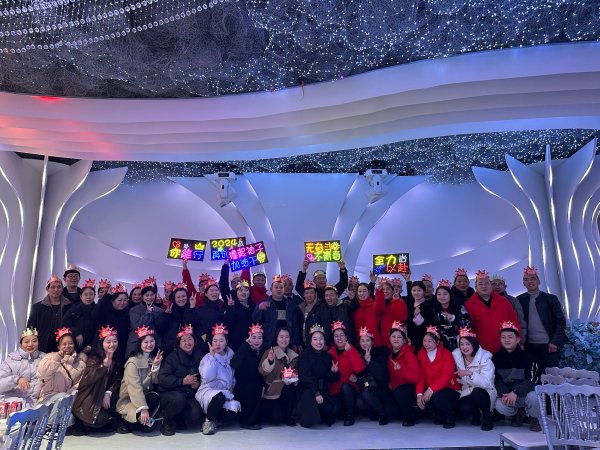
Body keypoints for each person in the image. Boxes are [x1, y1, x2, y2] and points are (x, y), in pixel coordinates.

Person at [517, 266, 568, 379]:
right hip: (529, 346)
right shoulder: (520, 300)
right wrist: (520, 343)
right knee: (531, 377)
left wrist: (554, 342)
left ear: (539, 281)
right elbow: (518, 322)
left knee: (551, 378)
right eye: (526, 279)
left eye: (533, 279)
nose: (530, 282)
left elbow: (560, 322)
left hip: (549, 345)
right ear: (523, 283)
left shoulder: (551, 298)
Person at [72, 326, 122, 434]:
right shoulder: (94, 359)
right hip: (88, 401)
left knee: (115, 398)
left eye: (115, 341)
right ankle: (82, 421)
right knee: (101, 420)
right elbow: (88, 379)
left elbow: (118, 379)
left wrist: (108, 392)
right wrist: (103, 366)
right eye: (108, 342)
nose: (112, 344)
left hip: (101, 397)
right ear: (102, 343)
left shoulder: (117, 358)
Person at [492, 321, 541, 432]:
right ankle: (518, 413)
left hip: (525, 394)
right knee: (499, 404)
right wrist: (506, 394)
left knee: (534, 397)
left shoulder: (529, 357)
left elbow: (533, 381)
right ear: (500, 339)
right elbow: (496, 380)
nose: (507, 340)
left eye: (510, 337)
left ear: (518, 339)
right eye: (503, 337)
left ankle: (533, 417)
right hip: (509, 394)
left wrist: (515, 392)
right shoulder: (496, 358)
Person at [157, 324, 204, 436]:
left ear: (194, 341)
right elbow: (162, 378)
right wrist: (182, 381)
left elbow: (203, 376)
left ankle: (179, 417)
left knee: (195, 413)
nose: (187, 343)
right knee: (179, 399)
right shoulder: (171, 358)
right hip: (170, 394)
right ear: (179, 343)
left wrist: (198, 383)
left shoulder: (199, 355)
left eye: (190, 339)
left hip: (189, 393)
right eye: (184, 340)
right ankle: (166, 421)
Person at [116, 326, 163, 433]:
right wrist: (143, 408)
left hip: (145, 396)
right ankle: (125, 421)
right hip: (130, 399)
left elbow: (155, 381)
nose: (149, 344)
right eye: (146, 342)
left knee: (154, 398)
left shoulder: (153, 358)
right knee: (138, 414)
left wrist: (155, 366)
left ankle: (142, 422)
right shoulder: (132, 362)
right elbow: (134, 387)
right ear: (140, 344)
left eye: (152, 341)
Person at [196, 324, 240, 436]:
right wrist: (212, 357)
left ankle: (216, 420)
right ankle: (208, 421)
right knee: (219, 396)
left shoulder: (231, 356)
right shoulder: (207, 357)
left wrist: (232, 385)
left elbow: (232, 375)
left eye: (221, 341)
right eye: (215, 341)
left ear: (226, 342)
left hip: (225, 391)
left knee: (234, 409)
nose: (218, 344)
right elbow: (207, 377)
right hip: (209, 390)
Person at [464, 270, 521, 354]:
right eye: (480, 284)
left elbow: (514, 322)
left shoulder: (503, 301)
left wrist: (518, 341)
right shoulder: (469, 305)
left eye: (486, 283)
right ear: (476, 287)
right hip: (482, 350)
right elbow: (469, 328)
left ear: (490, 285)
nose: (484, 286)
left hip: (505, 347)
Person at [452, 327, 496, 431]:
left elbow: (488, 383)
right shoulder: (456, 355)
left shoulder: (485, 358)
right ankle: (476, 413)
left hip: (485, 392)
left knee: (477, 392)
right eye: (462, 344)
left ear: (474, 344)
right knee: (463, 408)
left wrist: (471, 374)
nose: (464, 347)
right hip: (467, 390)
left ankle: (487, 417)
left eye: (467, 344)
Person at [416, 326, 460, 428]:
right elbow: (421, 377)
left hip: (450, 388)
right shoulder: (421, 354)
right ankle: (438, 413)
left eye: (430, 341)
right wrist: (419, 394)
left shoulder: (446, 354)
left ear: (437, 342)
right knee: (423, 403)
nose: (426, 344)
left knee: (437, 397)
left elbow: (447, 377)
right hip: (432, 391)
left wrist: (431, 390)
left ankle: (450, 416)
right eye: (425, 341)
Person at [296, 324, 340, 428]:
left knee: (330, 411)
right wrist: (316, 392)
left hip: (322, 389)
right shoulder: (304, 356)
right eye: (315, 339)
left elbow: (329, 378)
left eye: (321, 339)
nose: (318, 342)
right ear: (310, 341)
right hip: (308, 389)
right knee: (310, 411)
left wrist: (334, 372)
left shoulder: (327, 357)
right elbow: (305, 377)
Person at [327, 321, 365, 426]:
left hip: (349, 388)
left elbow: (359, 369)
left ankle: (350, 415)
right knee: (334, 410)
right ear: (333, 339)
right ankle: (345, 410)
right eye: (336, 336)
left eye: (341, 335)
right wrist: (333, 372)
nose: (339, 338)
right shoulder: (330, 354)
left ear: (346, 337)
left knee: (345, 387)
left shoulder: (352, 350)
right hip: (335, 391)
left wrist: (351, 352)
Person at [259, 327, 299, 426]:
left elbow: (296, 372)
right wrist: (270, 361)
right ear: (276, 338)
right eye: (281, 337)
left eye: (287, 337)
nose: (284, 340)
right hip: (272, 392)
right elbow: (262, 371)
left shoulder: (293, 355)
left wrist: (292, 379)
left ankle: (288, 416)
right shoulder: (270, 352)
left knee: (290, 389)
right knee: (276, 419)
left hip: (285, 391)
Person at [37, 327, 86, 403]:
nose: (67, 346)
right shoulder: (49, 357)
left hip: (67, 401)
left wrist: (67, 395)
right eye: (64, 344)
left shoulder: (81, 364)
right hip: (48, 399)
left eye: (70, 343)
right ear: (58, 346)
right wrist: (57, 358)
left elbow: (80, 383)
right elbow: (43, 374)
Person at [231, 324, 265, 430]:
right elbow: (234, 364)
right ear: (249, 337)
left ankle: (254, 419)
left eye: (259, 338)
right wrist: (245, 345)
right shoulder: (244, 348)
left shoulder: (263, 351)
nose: (257, 341)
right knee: (251, 388)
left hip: (257, 384)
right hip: (242, 386)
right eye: (254, 337)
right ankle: (246, 421)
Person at [0, 327, 45, 407]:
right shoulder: (10, 360)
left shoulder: (45, 359)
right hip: (12, 403)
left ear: (38, 342)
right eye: (26, 342)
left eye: (34, 341)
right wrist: (16, 379)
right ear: (21, 344)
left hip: (35, 404)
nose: (30, 344)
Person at [252, 275, 301, 348]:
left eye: (281, 287)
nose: (279, 289)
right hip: (269, 342)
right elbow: (255, 320)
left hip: (286, 341)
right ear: (271, 289)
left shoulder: (289, 304)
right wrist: (259, 309)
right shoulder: (264, 303)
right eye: (276, 287)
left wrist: (295, 342)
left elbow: (295, 324)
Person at [27, 275, 72, 353]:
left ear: (62, 289)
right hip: (43, 346)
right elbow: (30, 328)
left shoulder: (69, 306)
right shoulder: (37, 307)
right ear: (47, 289)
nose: (56, 289)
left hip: (64, 346)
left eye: (59, 287)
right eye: (53, 287)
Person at [355, 326, 389, 425]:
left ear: (372, 342)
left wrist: (370, 362)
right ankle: (374, 410)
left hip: (380, 387)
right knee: (360, 401)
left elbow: (381, 375)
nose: (365, 343)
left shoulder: (380, 353)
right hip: (366, 385)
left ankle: (383, 414)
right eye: (362, 341)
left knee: (366, 393)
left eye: (367, 340)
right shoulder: (357, 354)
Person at [387, 322, 419, 426]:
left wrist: (401, 370)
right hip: (395, 388)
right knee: (389, 409)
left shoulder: (409, 354)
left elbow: (415, 378)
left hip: (407, 388)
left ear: (404, 340)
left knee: (401, 392)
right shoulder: (389, 354)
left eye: (399, 337)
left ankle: (411, 418)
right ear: (389, 338)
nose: (396, 339)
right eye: (393, 336)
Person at [91, 283, 130, 363]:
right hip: (102, 349)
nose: (122, 303)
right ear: (112, 301)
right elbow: (94, 315)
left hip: (120, 350)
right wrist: (107, 296)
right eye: (119, 300)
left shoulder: (127, 314)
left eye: (125, 300)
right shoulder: (105, 311)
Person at [126, 281, 166, 355]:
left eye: (152, 295)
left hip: (153, 345)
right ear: (142, 296)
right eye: (147, 295)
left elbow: (161, 330)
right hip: (136, 345)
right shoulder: (134, 310)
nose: (149, 298)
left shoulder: (159, 311)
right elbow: (138, 327)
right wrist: (148, 312)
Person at [186, 279, 225, 351]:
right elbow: (191, 323)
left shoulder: (221, 307)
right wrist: (191, 307)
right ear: (206, 294)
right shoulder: (200, 309)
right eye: (211, 291)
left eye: (216, 290)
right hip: (205, 345)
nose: (214, 292)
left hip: (220, 345)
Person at [432, 280, 470, 352]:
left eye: (445, 293)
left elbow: (467, 325)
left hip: (459, 346)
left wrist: (454, 318)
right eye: (439, 294)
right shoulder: (434, 310)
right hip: (441, 347)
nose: (442, 296)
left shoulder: (460, 308)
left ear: (450, 295)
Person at [61, 278, 97, 355]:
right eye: (85, 294)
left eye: (91, 294)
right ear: (81, 296)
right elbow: (64, 324)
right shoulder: (73, 309)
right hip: (74, 346)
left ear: (94, 296)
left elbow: (98, 330)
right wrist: (76, 332)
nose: (88, 297)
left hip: (92, 347)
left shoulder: (97, 310)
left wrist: (91, 345)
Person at [297, 281, 332, 349]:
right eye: (307, 293)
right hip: (303, 346)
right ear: (304, 294)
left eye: (311, 292)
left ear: (316, 294)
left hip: (318, 345)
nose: (309, 295)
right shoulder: (299, 308)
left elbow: (327, 326)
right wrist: (299, 343)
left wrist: (326, 343)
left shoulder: (322, 307)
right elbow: (298, 328)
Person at [374, 278, 408, 347]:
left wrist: (396, 301)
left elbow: (402, 318)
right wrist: (379, 293)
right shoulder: (378, 302)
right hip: (381, 341)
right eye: (383, 289)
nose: (385, 291)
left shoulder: (400, 301)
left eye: (388, 289)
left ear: (393, 291)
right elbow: (377, 311)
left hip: (395, 341)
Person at [224, 280, 255, 351]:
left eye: (246, 290)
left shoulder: (254, 306)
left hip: (251, 342)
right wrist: (229, 308)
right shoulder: (232, 306)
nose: (243, 292)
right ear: (236, 293)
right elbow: (226, 324)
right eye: (240, 290)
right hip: (236, 343)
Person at [406, 280, 435, 352]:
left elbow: (429, 326)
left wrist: (418, 317)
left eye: (419, 290)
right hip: (409, 340)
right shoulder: (410, 305)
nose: (416, 293)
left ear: (424, 291)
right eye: (414, 290)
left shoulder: (427, 307)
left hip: (421, 341)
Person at [351, 282, 384, 347]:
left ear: (369, 292)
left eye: (364, 291)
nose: (362, 293)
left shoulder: (373, 305)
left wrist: (379, 291)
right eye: (360, 291)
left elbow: (380, 306)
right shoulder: (355, 306)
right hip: (359, 342)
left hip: (374, 342)